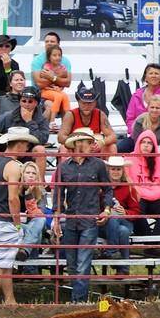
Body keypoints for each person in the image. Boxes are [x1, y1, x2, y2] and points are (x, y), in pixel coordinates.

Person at [52, 128, 111, 302]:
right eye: (85, 142)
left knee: (82, 263)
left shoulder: (98, 165)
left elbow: (108, 189)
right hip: (71, 219)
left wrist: (107, 209)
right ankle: (78, 299)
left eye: (89, 142)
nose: (88, 145)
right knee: (72, 264)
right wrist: (56, 218)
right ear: (77, 144)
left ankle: (77, 302)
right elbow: (58, 194)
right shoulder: (63, 167)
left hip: (89, 219)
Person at [0, 127, 35, 305]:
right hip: (4, 218)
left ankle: (10, 300)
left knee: (5, 261)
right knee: (1, 264)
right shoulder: (13, 166)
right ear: (19, 144)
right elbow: (13, 198)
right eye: (26, 145)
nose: (27, 148)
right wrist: (17, 223)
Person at [127, 130, 160, 238]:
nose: (146, 145)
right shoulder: (129, 160)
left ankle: (156, 242)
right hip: (138, 196)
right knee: (134, 208)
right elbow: (127, 183)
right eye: (143, 142)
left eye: (149, 143)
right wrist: (143, 193)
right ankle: (148, 241)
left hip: (158, 197)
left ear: (154, 146)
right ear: (138, 143)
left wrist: (154, 193)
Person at [102, 155, 137, 275]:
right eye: (113, 169)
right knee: (123, 231)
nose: (116, 172)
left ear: (122, 171)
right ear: (108, 170)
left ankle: (112, 252)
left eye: (118, 169)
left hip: (124, 220)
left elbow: (136, 211)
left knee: (115, 216)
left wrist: (126, 212)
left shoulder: (128, 187)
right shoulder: (101, 187)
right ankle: (123, 268)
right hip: (104, 224)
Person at [57, 88, 117, 155]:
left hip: (94, 148)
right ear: (78, 102)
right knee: (63, 148)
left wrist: (102, 142)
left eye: (90, 103)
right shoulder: (70, 115)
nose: (86, 106)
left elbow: (113, 136)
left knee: (112, 147)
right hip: (76, 149)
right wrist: (78, 142)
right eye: (83, 103)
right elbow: (61, 137)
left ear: (95, 103)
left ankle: (109, 162)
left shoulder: (100, 115)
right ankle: (67, 162)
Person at [125, 64, 160, 134]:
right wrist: (136, 133)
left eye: (156, 73)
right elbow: (130, 118)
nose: (153, 76)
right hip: (137, 134)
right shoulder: (137, 94)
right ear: (145, 77)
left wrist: (151, 134)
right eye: (151, 73)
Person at [37, 45, 71, 118]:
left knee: (65, 97)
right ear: (49, 57)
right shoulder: (46, 67)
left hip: (56, 90)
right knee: (58, 96)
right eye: (54, 55)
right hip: (46, 91)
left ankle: (67, 120)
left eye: (59, 55)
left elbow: (64, 83)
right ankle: (52, 121)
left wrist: (59, 88)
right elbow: (44, 83)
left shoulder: (63, 67)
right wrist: (57, 76)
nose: (57, 57)